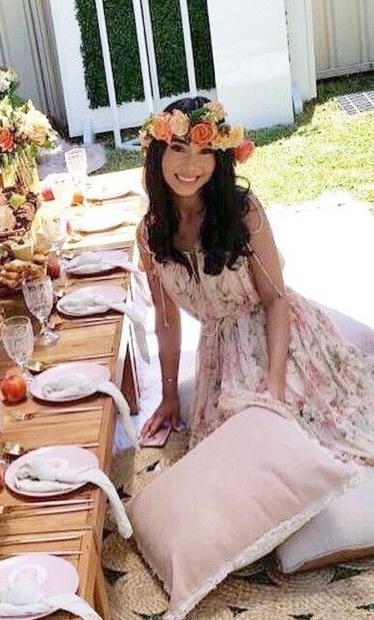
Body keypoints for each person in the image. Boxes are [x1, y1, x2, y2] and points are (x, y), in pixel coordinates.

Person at [137, 96, 374, 466]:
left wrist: (275, 384)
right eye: (178, 148)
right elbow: (167, 319)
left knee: (318, 441)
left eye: (205, 152)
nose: (190, 165)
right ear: (157, 155)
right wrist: (169, 396)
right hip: (220, 352)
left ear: (220, 159)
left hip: (281, 337)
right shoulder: (150, 232)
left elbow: (276, 299)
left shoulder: (241, 210)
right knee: (230, 458)